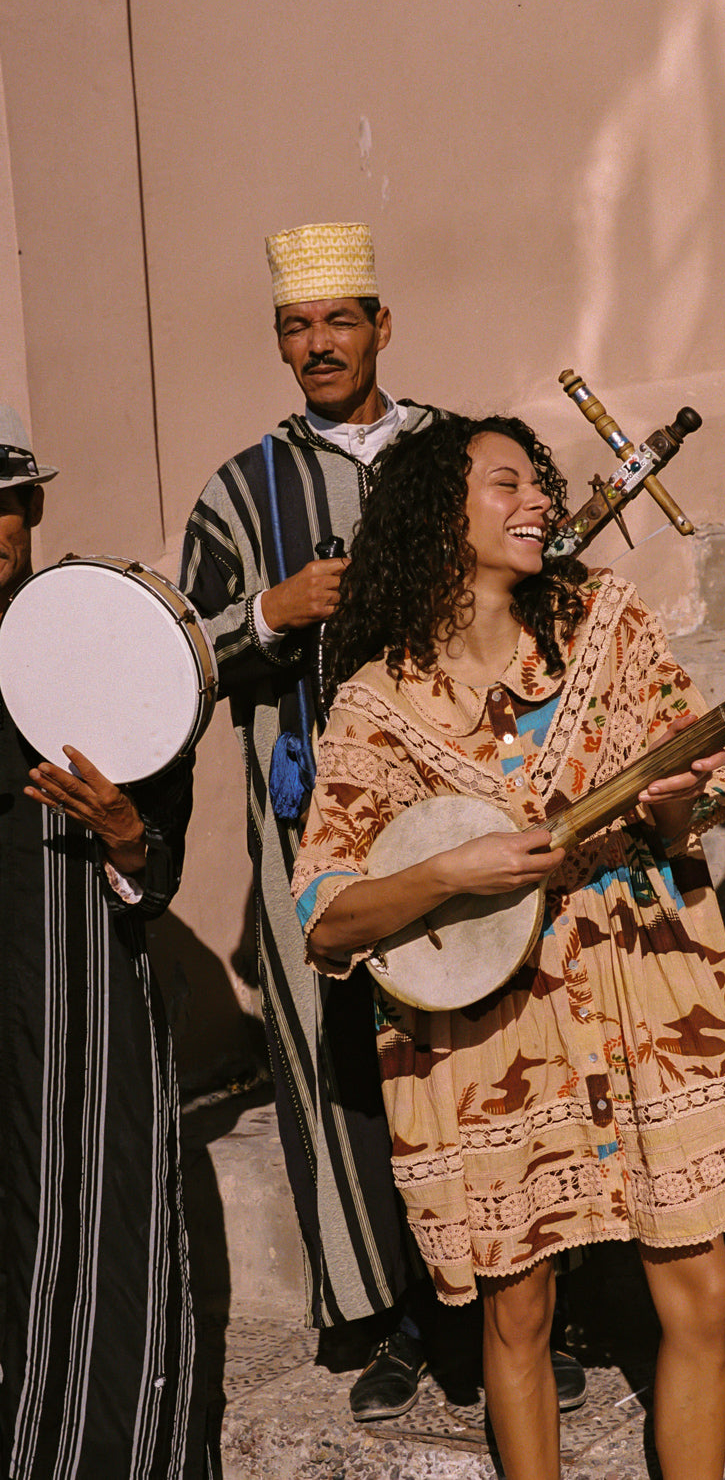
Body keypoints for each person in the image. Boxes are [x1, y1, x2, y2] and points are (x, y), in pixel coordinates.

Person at [292, 412, 725, 1480]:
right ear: (439, 515)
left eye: (538, 484)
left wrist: (674, 801)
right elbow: (328, 913)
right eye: (504, 483)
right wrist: (448, 875)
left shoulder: (607, 622)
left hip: (647, 997)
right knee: (518, 1314)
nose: (539, 502)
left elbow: (692, 803)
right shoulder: (378, 704)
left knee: (703, 1292)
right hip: (492, 1041)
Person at [178, 224, 585, 1417]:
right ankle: (404, 1316)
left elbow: (541, 573)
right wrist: (269, 611)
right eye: (297, 327)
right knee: (349, 1067)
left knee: (495, 1049)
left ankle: (530, 1311)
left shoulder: (456, 455)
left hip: (468, 801)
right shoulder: (237, 490)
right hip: (312, 825)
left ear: (381, 327)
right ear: (279, 342)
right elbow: (178, 658)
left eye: (339, 321)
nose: (319, 344)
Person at [0, 408, 211, 1477]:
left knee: (85, 1229)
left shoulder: (106, 642)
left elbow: (156, 865)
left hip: (74, 1010)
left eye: (1, 504)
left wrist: (126, 835)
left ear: (33, 506)